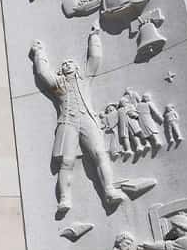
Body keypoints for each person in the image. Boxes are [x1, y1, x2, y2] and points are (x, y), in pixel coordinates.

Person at [30, 27, 126, 214]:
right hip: (68, 123)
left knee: (100, 153)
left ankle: (109, 190)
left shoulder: (84, 80)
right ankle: (65, 198)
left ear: (76, 68)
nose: (66, 65)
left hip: (87, 119)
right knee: (66, 162)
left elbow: (95, 60)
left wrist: (94, 36)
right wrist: (39, 53)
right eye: (64, 64)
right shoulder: (59, 85)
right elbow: (43, 74)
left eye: (70, 63)